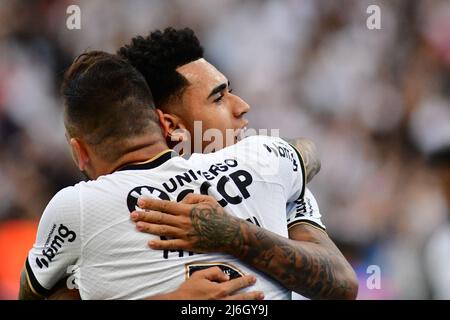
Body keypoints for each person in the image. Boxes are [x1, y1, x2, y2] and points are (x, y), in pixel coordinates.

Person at [20, 51, 316, 299]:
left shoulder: (77, 207)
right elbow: (307, 152)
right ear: (163, 122)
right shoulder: (259, 161)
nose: (241, 106)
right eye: (219, 97)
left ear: (79, 151)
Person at [118, 27, 357, 299]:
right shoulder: (118, 202)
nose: (242, 106)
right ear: (172, 125)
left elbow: (342, 284)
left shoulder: (269, 176)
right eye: (218, 97)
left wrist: (234, 235)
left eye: (231, 91)